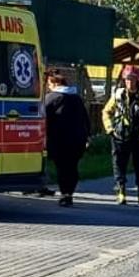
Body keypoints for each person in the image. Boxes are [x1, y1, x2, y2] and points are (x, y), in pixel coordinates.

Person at [102, 67, 139, 206]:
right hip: (121, 137)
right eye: (127, 79)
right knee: (119, 165)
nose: (130, 82)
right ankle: (121, 192)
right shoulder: (118, 95)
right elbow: (106, 112)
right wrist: (110, 129)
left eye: (132, 79)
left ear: (138, 80)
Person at [41, 69, 92, 207]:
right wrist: (88, 135)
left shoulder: (50, 99)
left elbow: (42, 118)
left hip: (60, 141)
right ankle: (69, 193)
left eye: (49, 84)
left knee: (62, 168)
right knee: (72, 167)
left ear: (53, 83)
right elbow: (86, 119)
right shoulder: (77, 98)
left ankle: (65, 194)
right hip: (77, 140)